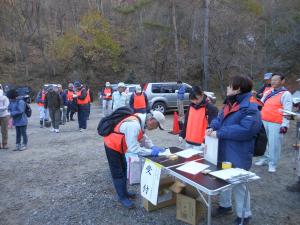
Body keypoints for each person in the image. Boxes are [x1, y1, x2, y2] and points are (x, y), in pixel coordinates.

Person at [207, 75, 261, 225]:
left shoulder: (250, 106)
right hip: (224, 149)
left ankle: (244, 215)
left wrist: (220, 132)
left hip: (238, 151)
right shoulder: (229, 103)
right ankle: (225, 206)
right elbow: (219, 118)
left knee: (239, 184)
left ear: (238, 89)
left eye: (230, 86)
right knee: (223, 178)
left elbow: (247, 129)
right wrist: (213, 126)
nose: (227, 88)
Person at [103, 110, 166, 209]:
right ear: (151, 120)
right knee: (118, 173)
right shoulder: (134, 125)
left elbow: (142, 137)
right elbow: (134, 149)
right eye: (157, 125)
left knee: (124, 168)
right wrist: (151, 152)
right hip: (112, 145)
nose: (156, 128)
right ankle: (122, 197)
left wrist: (153, 146)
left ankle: (125, 193)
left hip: (120, 146)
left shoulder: (140, 119)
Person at [255, 73, 292, 172]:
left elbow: (287, 111)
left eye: (276, 80)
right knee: (263, 141)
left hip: (276, 122)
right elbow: (261, 104)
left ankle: (272, 163)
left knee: (274, 143)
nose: (273, 82)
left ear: (282, 81)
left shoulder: (286, 94)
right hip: (264, 120)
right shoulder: (268, 92)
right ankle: (264, 158)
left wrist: (285, 125)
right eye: (272, 80)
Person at [179, 86, 218, 150]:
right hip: (189, 141)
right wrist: (182, 134)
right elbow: (187, 121)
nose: (195, 101)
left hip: (201, 143)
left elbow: (212, 126)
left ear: (202, 95)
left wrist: (206, 141)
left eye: (197, 99)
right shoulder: (190, 106)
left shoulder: (210, 108)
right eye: (193, 99)